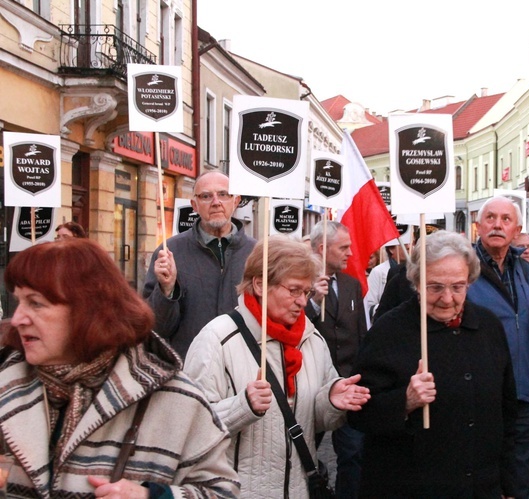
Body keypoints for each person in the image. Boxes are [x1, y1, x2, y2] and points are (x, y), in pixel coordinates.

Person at [0, 239, 239, 497]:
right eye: (19, 302)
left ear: (87, 308)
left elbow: (223, 492)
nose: (18, 318)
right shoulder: (8, 388)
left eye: (35, 303)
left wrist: (153, 496)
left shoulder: (174, 400)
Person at [183, 235, 370, 498]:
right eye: (294, 290)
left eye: (306, 292)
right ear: (260, 284)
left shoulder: (311, 338)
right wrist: (242, 407)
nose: (303, 302)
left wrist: (331, 400)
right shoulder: (217, 339)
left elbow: (314, 419)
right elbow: (189, 428)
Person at [349, 230, 519, 497]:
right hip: (410, 488)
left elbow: (508, 413)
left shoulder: (488, 327)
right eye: (436, 287)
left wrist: (510, 485)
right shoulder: (389, 331)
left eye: (458, 286)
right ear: (417, 282)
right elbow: (359, 414)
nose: (448, 298)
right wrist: (404, 401)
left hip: (479, 487)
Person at [466, 196, 529, 499]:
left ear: (516, 229)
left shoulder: (526, 271)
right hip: (480, 390)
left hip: (522, 390)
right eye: (490, 218)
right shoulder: (464, 268)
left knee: (518, 476)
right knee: (483, 472)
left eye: (505, 219)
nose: (497, 225)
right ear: (478, 225)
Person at [142, 171, 257, 359]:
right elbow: (155, 329)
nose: (216, 202)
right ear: (194, 205)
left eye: (223, 194)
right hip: (189, 370)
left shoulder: (257, 253)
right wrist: (167, 290)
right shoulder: (170, 252)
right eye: (206, 196)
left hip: (243, 367)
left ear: (235, 201)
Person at [304, 221, 367, 498]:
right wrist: (314, 302)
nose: (350, 253)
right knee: (303, 454)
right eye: (344, 247)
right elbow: (291, 329)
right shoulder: (300, 282)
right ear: (322, 248)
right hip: (310, 386)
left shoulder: (352, 285)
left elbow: (361, 335)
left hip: (348, 383)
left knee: (353, 455)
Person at [363, 241, 408, 328]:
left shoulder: (413, 271)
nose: (409, 246)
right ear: (391, 249)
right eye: (404, 244)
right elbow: (369, 304)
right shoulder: (378, 271)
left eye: (412, 243)